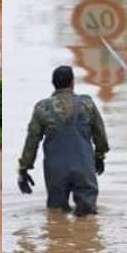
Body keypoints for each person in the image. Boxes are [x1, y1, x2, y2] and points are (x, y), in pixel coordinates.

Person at [17, 65, 109, 216]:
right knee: (87, 216)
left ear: (53, 83)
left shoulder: (42, 108)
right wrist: (99, 156)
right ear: (72, 83)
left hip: (55, 171)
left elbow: (32, 142)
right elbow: (100, 136)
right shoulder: (87, 105)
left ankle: (59, 237)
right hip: (84, 167)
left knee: (56, 215)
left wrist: (23, 169)